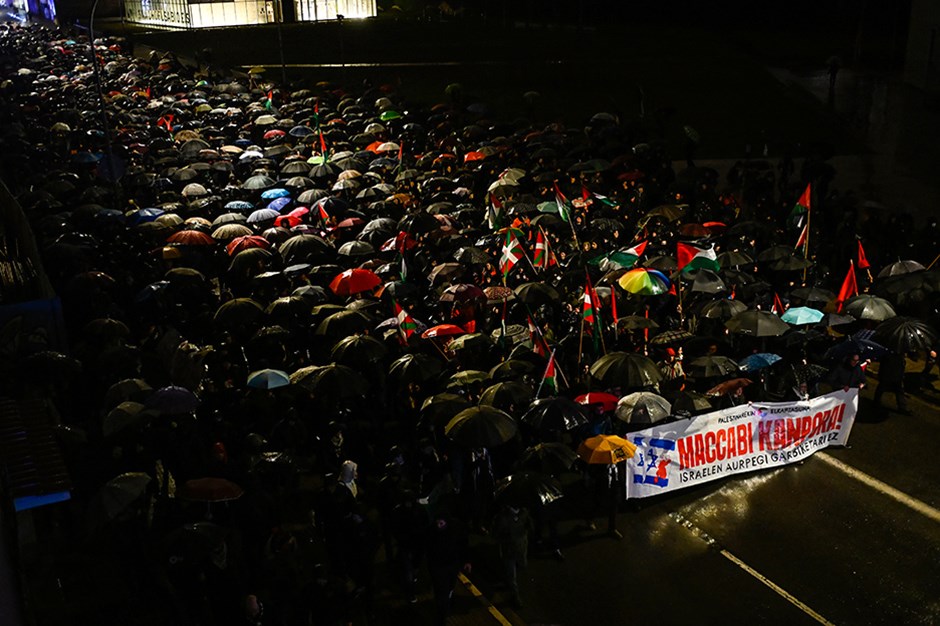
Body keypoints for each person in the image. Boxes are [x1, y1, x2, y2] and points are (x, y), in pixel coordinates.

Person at [492, 504, 533, 608]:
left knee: (516, 570)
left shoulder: (519, 514)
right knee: (513, 573)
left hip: (515, 549)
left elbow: (496, 535)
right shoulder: (506, 516)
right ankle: (515, 596)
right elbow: (496, 534)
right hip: (515, 549)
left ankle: (511, 589)